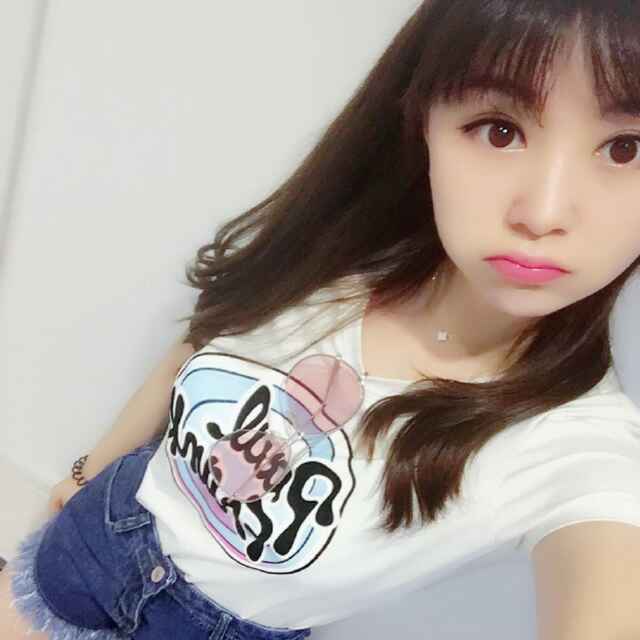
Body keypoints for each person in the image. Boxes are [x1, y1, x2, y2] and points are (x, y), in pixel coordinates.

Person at [3, 0, 640, 638]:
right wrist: (87, 472)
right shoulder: (336, 261)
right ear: (423, 125)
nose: (544, 212)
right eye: (498, 130)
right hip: (84, 547)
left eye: (625, 148)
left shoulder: (579, 450)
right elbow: (204, 339)